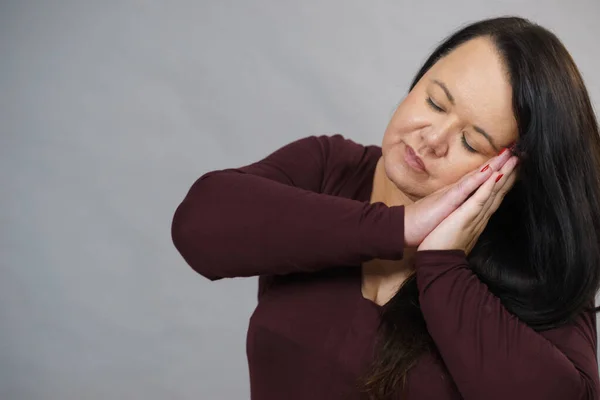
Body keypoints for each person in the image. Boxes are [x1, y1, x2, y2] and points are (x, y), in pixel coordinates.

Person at [171, 16, 600, 400]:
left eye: (472, 142)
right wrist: (400, 226)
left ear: (509, 172)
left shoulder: (537, 269)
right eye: (434, 102)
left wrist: (443, 265)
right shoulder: (329, 169)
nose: (432, 138)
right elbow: (197, 226)